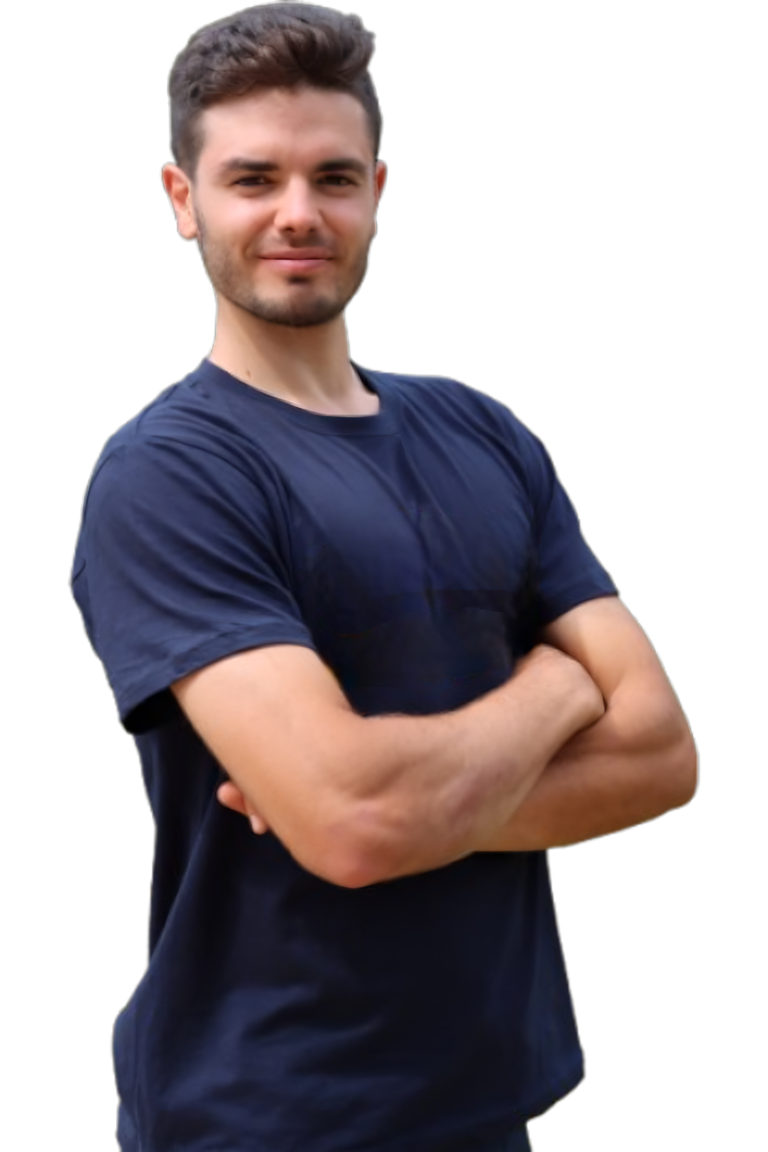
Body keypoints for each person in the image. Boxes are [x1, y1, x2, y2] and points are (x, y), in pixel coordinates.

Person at [69, 6, 697, 1150]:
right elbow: (358, 825)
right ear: (181, 199)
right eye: (252, 179)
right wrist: (560, 688)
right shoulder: (170, 474)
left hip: (488, 1102)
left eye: (333, 177)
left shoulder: (483, 431)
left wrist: (404, 808)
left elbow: (661, 757)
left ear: (378, 192)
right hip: (264, 1116)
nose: (297, 213)